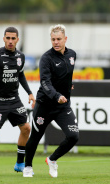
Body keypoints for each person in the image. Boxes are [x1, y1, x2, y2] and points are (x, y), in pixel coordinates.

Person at [23, 24, 79, 178]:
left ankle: (52, 159)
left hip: (63, 106)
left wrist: (69, 85)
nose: (56, 42)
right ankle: (27, 167)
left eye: (59, 39)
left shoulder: (72, 54)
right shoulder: (46, 58)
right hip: (45, 105)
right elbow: (45, 83)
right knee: (35, 137)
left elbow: (66, 75)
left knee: (74, 136)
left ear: (65, 39)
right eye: (53, 39)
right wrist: (57, 96)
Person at [0, 26, 36, 177]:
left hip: (14, 100)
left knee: (26, 128)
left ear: (17, 39)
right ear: (3, 38)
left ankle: (20, 163)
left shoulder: (20, 57)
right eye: (8, 38)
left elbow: (21, 75)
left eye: (13, 38)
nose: (10, 41)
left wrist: (29, 92)